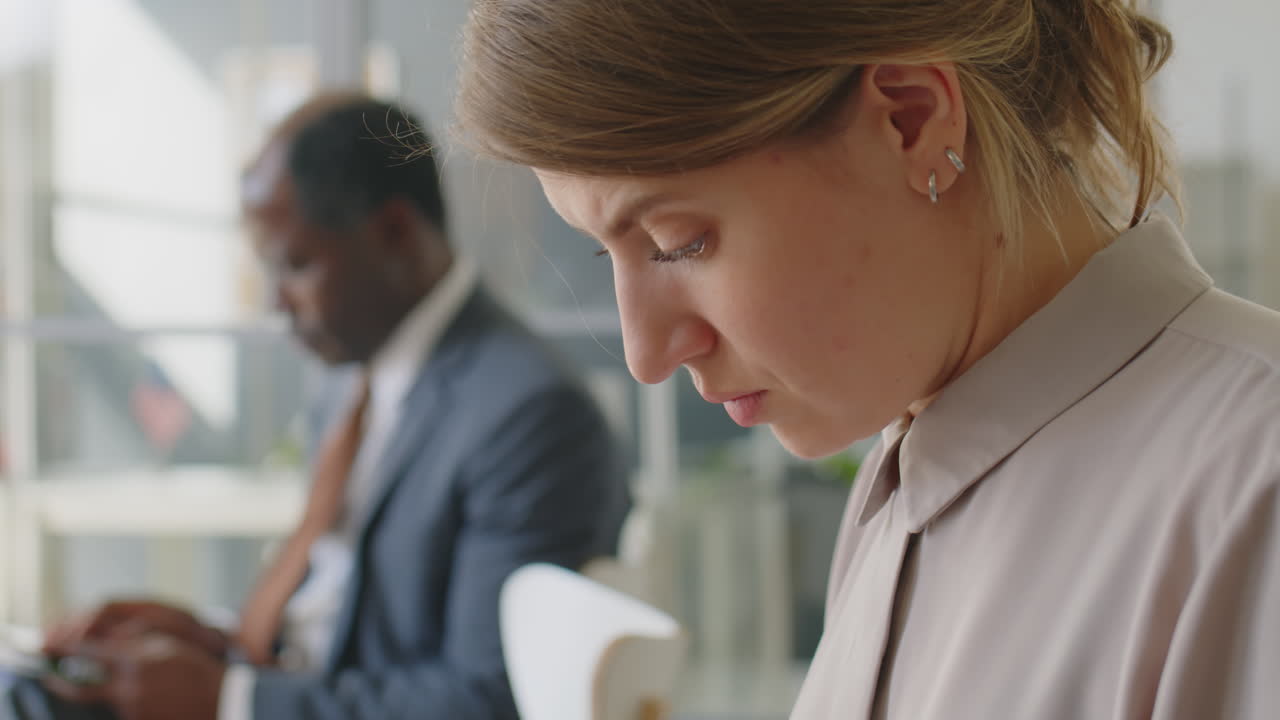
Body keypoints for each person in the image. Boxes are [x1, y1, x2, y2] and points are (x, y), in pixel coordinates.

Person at [454, 1, 1280, 718]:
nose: (645, 355)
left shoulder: (1252, 487)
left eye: (679, 243)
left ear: (912, 119)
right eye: (607, 255)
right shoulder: (908, 473)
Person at [3, 94, 629, 720]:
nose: (276, 306)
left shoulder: (531, 416)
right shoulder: (351, 376)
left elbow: (487, 701)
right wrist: (206, 641)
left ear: (394, 233)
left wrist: (226, 697)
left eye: (296, 266)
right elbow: (328, 621)